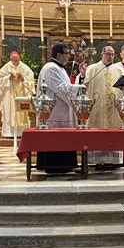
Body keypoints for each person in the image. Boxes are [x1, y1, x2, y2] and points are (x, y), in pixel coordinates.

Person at [36, 42, 83, 173]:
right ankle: (55, 166)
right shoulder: (50, 68)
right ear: (59, 54)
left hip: (62, 110)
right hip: (54, 113)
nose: (69, 56)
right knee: (56, 139)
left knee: (64, 138)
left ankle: (66, 164)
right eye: (67, 53)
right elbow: (60, 88)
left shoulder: (59, 68)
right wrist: (80, 88)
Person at [84, 45, 123, 165]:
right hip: (97, 108)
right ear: (102, 54)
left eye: (112, 54)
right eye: (108, 54)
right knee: (97, 132)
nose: (110, 57)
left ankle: (113, 161)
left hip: (114, 108)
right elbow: (85, 86)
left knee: (113, 134)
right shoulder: (92, 69)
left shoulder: (118, 70)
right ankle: (97, 160)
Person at [0, 51, 35, 138]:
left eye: (16, 60)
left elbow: (31, 79)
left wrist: (23, 78)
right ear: (10, 59)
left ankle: (22, 133)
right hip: (9, 95)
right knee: (10, 111)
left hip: (22, 94)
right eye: (13, 61)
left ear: (19, 58)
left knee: (22, 112)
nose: (15, 62)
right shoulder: (6, 67)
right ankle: (9, 134)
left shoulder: (25, 68)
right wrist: (9, 78)